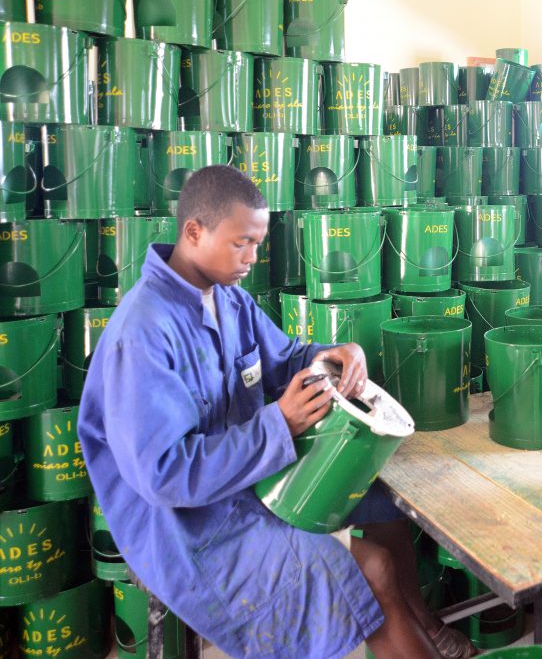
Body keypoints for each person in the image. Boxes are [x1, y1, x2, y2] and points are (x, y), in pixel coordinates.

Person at [78, 166, 473, 658]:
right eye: (242, 242)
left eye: (258, 244)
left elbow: (283, 358)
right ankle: (400, 624)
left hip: (242, 478)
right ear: (194, 231)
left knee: (380, 500)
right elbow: (162, 475)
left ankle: (421, 624)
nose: (252, 257)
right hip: (187, 526)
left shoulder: (227, 299)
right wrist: (279, 424)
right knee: (371, 571)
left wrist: (336, 354)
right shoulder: (142, 333)